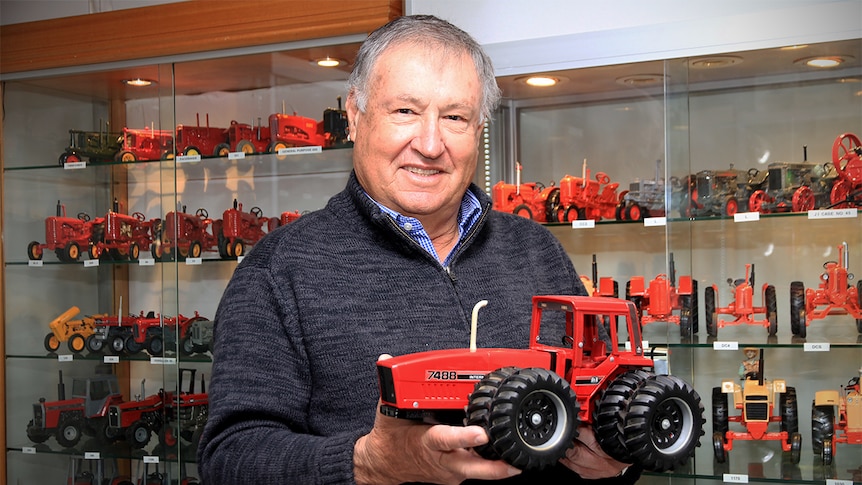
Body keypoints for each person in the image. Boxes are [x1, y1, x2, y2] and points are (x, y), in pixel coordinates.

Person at [198, 14, 640, 485]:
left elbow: (604, 405)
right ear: (354, 115)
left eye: (454, 117)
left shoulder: (536, 250)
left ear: (478, 129)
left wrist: (618, 460)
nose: (430, 145)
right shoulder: (277, 271)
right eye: (405, 111)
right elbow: (230, 459)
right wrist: (368, 462)